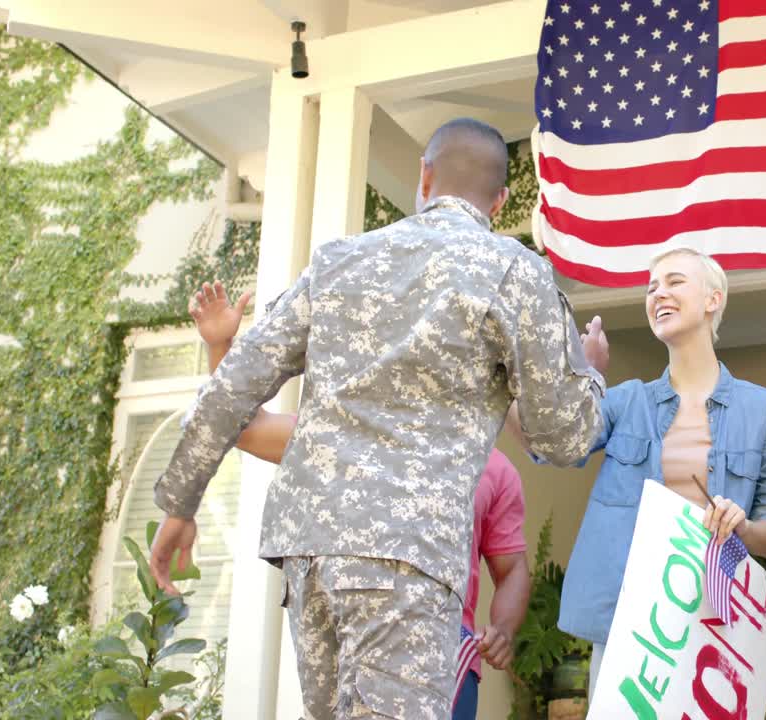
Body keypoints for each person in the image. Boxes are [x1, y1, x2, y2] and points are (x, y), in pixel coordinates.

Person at [149, 117, 606, 720]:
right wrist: (590, 373)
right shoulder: (513, 271)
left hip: (309, 550)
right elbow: (565, 435)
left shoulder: (340, 260)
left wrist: (180, 504)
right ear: (499, 201)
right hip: (405, 555)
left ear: (424, 177)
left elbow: (232, 388)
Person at [187, 281, 531, 720]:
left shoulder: (493, 468)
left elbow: (512, 567)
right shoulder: (344, 434)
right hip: (348, 657)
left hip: (441, 663)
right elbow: (245, 427)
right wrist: (221, 345)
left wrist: (501, 628)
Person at [507, 246, 766, 698]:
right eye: (652, 287)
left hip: (712, 627)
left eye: (675, 281)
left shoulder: (764, 410)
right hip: (629, 624)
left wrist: (742, 526)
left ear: (713, 299)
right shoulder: (627, 402)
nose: (659, 292)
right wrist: (537, 376)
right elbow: (551, 445)